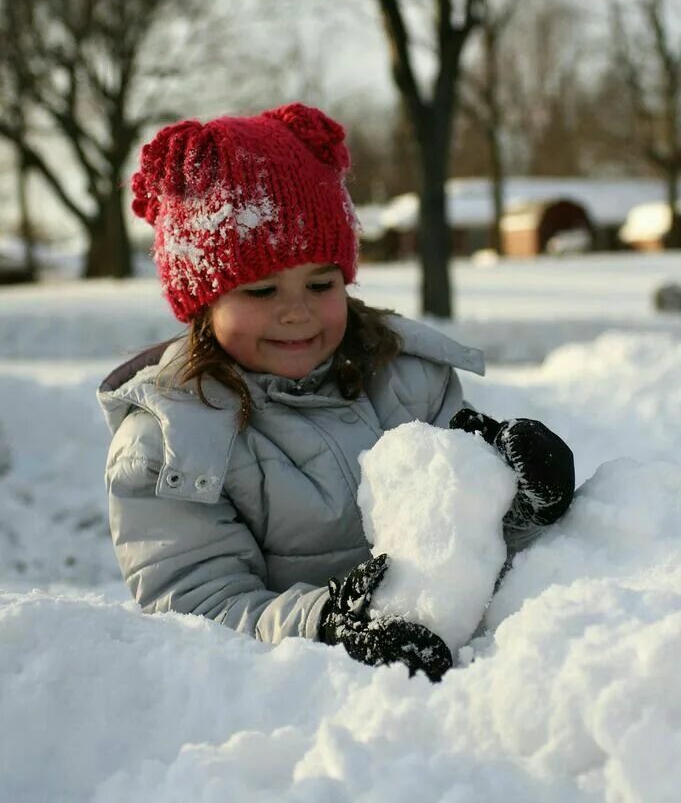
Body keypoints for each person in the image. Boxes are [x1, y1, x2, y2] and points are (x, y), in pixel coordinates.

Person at [98, 102, 574, 683]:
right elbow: (196, 608)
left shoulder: (410, 380)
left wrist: (523, 503)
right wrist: (327, 623)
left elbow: (470, 538)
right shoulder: (170, 443)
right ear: (203, 300)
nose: (296, 312)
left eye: (320, 283)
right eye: (262, 290)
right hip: (304, 720)